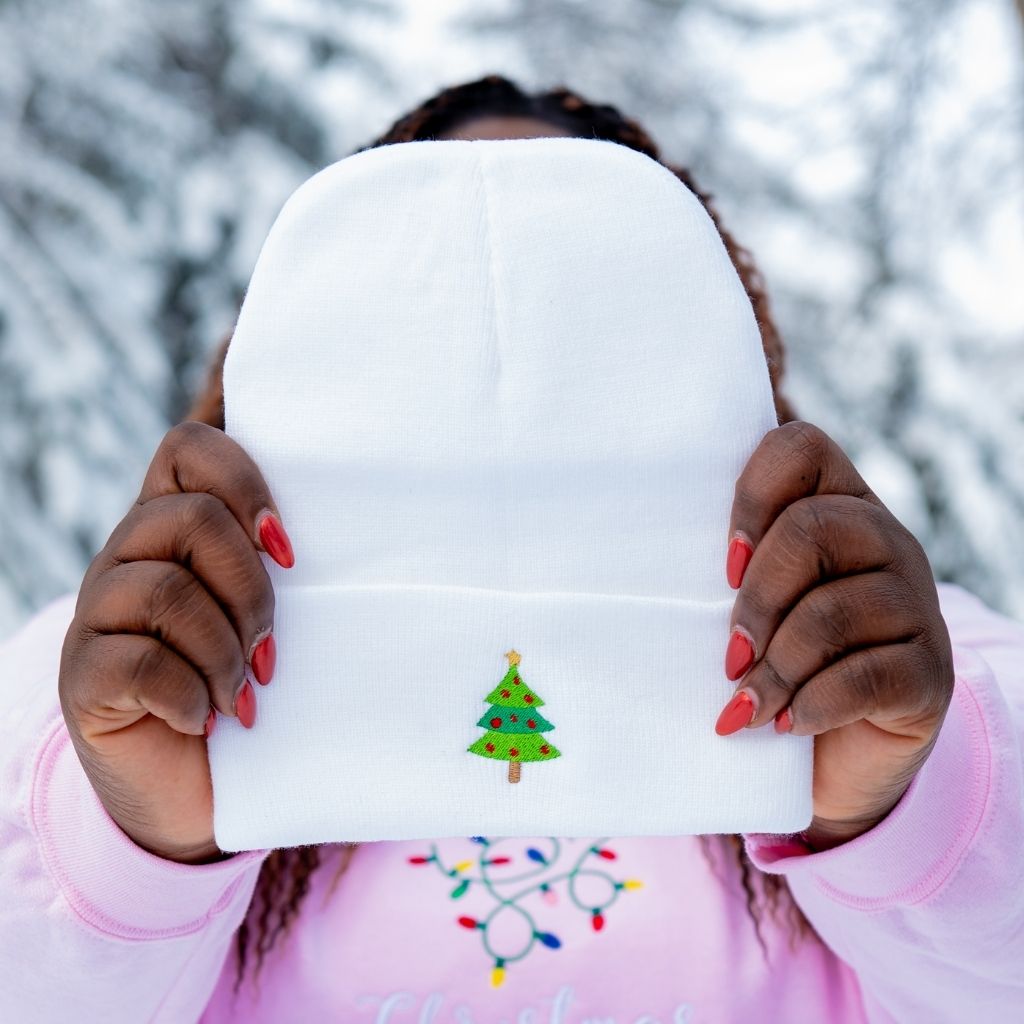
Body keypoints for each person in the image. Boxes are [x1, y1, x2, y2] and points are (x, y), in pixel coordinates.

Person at [1, 73, 1022, 1023]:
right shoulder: (97, 694)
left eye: (589, 296)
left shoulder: (921, 669)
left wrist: (905, 809)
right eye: (427, 306)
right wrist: (127, 844)